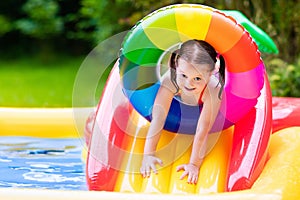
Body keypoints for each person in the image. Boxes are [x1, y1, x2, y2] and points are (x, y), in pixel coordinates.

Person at [140, 39, 225, 184]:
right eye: (183, 75)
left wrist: (194, 164)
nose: (188, 83)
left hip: (207, 90)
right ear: (176, 66)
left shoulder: (213, 89)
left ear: (210, 74)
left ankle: (215, 66)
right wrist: (148, 154)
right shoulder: (171, 79)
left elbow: (203, 129)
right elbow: (159, 117)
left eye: (197, 78)